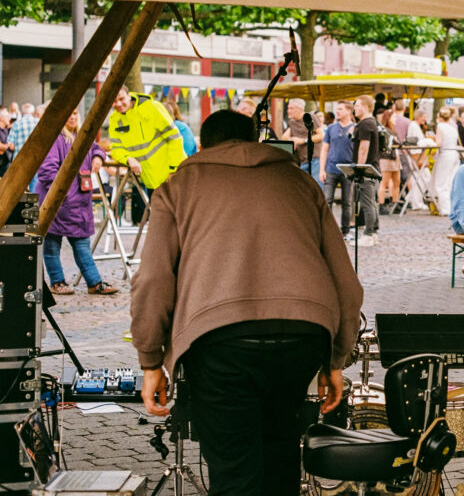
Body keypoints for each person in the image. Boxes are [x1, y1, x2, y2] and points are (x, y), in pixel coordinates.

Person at [131, 110, 363, 495]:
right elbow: (347, 284)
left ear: (203, 146)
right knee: (280, 460)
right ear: (257, 139)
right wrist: (335, 360)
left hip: (219, 343)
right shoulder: (298, 182)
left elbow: (153, 279)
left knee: (235, 471)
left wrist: (151, 361)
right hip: (302, 335)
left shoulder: (178, 186)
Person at [37, 109, 118, 296]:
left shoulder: (81, 135)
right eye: (68, 113)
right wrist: (64, 195)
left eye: (75, 113)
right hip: (58, 203)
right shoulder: (54, 138)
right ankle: (57, 282)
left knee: (82, 246)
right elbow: (47, 172)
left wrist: (98, 156)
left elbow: (96, 147)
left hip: (79, 204)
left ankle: (94, 282)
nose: (72, 117)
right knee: (52, 246)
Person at [109, 87, 186, 225]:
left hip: (174, 177)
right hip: (151, 181)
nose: (118, 104)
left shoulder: (152, 108)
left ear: (129, 95)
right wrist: (129, 159)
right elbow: (116, 148)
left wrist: (173, 170)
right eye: (114, 101)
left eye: (121, 99)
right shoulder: (115, 119)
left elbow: (175, 138)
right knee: (164, 225)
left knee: (182, 223)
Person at [319, 101, 355, 240]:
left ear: (348, 112)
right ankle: (326, 229)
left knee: (347, 202)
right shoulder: (331, 128)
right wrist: (322, 169)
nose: (337, 112)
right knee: (327, 199)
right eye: (337, 109)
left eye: (340, 109)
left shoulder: (355, 129)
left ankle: (345, 231)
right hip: (331, 169)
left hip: (348, 170)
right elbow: (325, 149)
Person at [350, 95, 381, 246]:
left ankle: (368, 234)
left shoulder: (365, 124)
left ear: (365, 107)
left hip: (367, 169)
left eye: (356, 105)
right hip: (373, 168)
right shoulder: (372, 122)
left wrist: (359, 169)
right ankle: (373, 233)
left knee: (367, 203)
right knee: (372, 203)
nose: (354, 108)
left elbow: (364, 147)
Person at [282, 98, 323, 178]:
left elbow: (321, 135)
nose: (288, 111)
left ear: (300, 109)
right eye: (288, 108)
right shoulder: (292, 122)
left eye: (291, 108)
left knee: (316, 186)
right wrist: (291, 140)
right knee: (304, 187)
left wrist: (303, 140)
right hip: (303, 161)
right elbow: (284, 138)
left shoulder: (309, 117)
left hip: (315, 159)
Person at [431, 107, 461, 216]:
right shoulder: (452, 128)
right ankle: (452, 207)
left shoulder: (440, 126)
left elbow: (439, 143)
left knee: (441, 183)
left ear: (439, 117)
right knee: (450, 182)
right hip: (454, 154)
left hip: (445, 154)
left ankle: (445, 209)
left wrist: (430, 142)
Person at [377, 109, 401, 214]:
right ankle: (381, 204)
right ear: (388, 118)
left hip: (394, 158)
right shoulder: (384, 130)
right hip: (386, 158)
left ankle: (394, 203)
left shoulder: (392, 129)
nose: (395, 119)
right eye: (393, 117)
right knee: (384, 182)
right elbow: (389, 144)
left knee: (397, 181)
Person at [0, 109, 14, 176]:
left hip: (5, 163)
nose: (9, 118)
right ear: (1, 118)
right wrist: (8, 145)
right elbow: (1, 148)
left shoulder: (5, 130)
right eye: (7, 116)